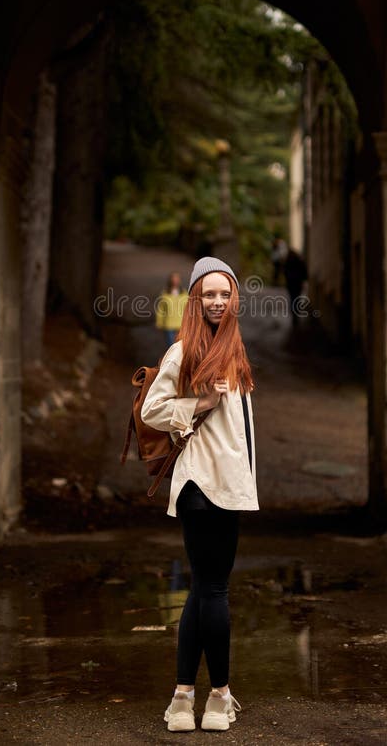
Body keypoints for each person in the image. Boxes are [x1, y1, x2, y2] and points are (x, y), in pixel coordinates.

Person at [141, 256, 258, 733]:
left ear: (234, 298)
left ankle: (180, 699)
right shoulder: (184, 350)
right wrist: (198, 404)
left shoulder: (234, 350)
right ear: (194, 299)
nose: (216, 301)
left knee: (201, 590)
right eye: (207, 294)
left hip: (224, 482)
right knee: (215, 588)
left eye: (223, 293)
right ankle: (219, 698)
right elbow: (152, 409)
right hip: (204, 484)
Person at [155, 272, 189, 348]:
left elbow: (188, 309)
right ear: (170, 280)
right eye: (173, 278)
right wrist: (159, 323)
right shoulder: (164, 294)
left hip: (181, 325)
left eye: (177, 279)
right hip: (169, 324)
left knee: (181, 347)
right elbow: (161, 310)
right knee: (171, 347)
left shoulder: (184, 294)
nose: (175, 280)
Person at [284, 249, 308, 328]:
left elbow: (285, 272)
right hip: (298, 284)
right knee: (297, 298)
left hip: (291, 284)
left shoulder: (288, 261)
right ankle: (296, 313)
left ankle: (294, 315)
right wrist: (304, 280)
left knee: (292, 299)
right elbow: (304, 272)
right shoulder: (300, 261)